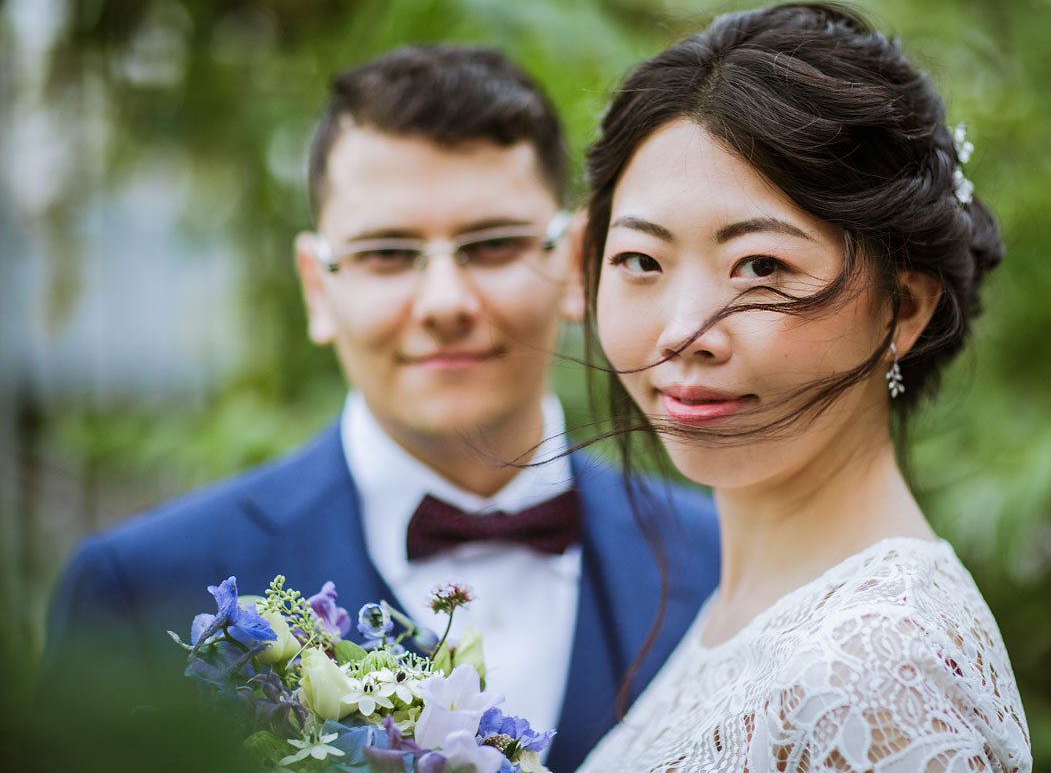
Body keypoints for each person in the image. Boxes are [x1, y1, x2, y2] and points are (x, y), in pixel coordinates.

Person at [44, 44, 719, 773]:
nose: (445, 304)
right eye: (388, 254)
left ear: (574, 262)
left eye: (492, 245)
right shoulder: (140, 592)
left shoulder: (722, 561)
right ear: (316, 286)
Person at [574, 3, 1032, 772]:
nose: (683, 332)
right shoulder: (753, 608)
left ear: (905, 308)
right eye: (642, 262)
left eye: (761, 267)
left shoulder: (879, 670)